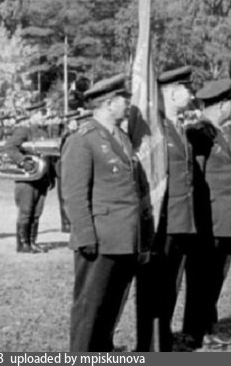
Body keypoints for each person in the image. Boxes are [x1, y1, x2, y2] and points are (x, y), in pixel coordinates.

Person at [63, 74, 151, 352]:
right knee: (90, 307)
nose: (128, 105)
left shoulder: (121, 137)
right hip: (100, 240)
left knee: (112, 304)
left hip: (124, 238)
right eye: (123, 100)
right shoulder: (84, 139)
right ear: (109, 103)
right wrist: (86, 236)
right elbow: (75, 194)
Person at [135, 66, 198, 352]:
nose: (192, 94)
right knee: (156, 286)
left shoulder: (176, 127)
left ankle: (164, 338)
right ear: (172, 94)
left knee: (171, 285)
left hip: (181, 219)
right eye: (187, 89)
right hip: (164, 220)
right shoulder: (156, 129)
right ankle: (151, 344)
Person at [183, 79, 231, 349]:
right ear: (222, 104)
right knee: (204, 278)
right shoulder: (200, 133)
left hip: (225, 218)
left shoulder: (219, 132)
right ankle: (198, 331)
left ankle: (207, 326)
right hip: (210, 220)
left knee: (215, 277)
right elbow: (195, 179)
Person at [3, 101, 55, 253]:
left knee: (37, 213)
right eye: (41, 114)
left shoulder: (44, 133)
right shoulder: (24, 131)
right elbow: (9, 147)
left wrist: (51, 176)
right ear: (33, 116)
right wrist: (22, 161)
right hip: (27, 179)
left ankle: (32, 242)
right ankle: (23, 244)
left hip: (41, 178)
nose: (44, 117)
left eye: (44, 114)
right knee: (26, 211)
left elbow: (49, 156)